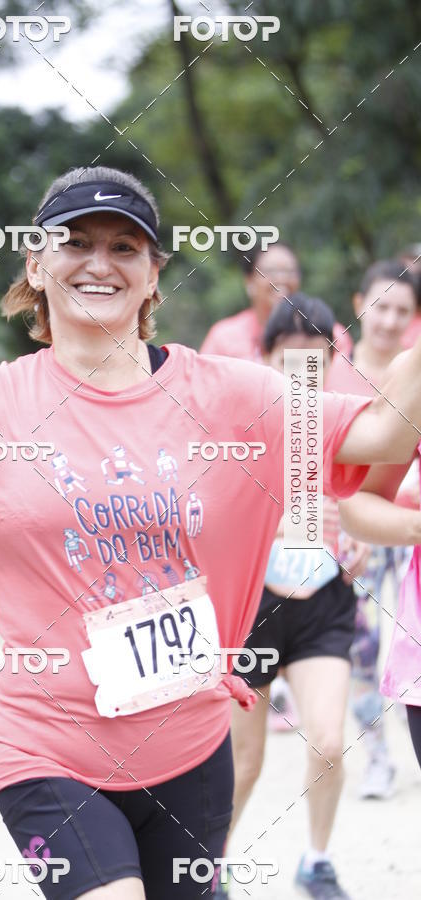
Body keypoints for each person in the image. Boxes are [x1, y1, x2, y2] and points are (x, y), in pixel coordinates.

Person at [0, 166, 421, 900]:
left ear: (152, 275)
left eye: (125, 246)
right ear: (35, 265)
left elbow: (388, 434)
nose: (99, 262)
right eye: (74, 242)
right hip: (47, 753)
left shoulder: (235, 396)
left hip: (195, 748)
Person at [227, 294, 368, 900]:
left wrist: (360, 536)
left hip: (324, 604)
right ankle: (210, 868)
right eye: (292, 361)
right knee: (243, 764)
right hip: (253, 606)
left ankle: (316, 861)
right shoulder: (235, 424)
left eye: (317, 360)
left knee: (329, 741)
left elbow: (370, 499)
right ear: (268, 358)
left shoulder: (349, 424)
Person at [326, 259, 419, 798]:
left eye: (401, 311)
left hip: (399, 526)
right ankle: (377, 753)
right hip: (343, 531)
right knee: (362, 644)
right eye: (380, 306)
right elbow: (304, 464)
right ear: (360, 303)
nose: (387, 320)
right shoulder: (331, 369)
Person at [339, 433, 421, 771]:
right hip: (376, 542)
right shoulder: (412, 386)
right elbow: (359, 496)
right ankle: (376, 756)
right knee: (364, 648)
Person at [200, 242, 353, 363]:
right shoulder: (223, 338)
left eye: (290, 271)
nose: (282, 279)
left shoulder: (330, 334)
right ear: (249, 282)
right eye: (271, 271)